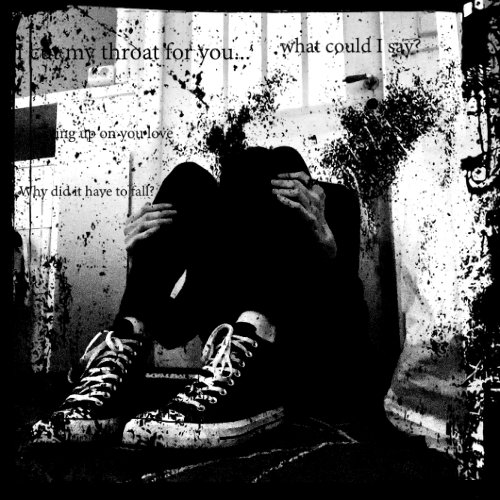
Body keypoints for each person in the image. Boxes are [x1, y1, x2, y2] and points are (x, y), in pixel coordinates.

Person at [32, 146, 378, 448]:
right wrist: (143, 265)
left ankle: (257, 345)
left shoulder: (330, 202)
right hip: (231, 382)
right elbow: (172, 330)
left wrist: (325, 249)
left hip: (316, 369)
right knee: (186, 179)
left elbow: (347, 334)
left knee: (284, 159)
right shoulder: (224, 241)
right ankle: (123, 348)